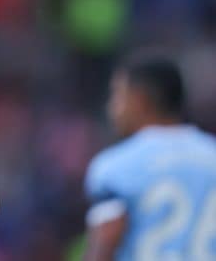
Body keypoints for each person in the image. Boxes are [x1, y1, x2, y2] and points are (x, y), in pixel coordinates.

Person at [84, 53, 216, 261]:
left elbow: (107, 238)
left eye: (118, 95)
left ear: (139, 100)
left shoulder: (117, 166)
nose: (112, 108)